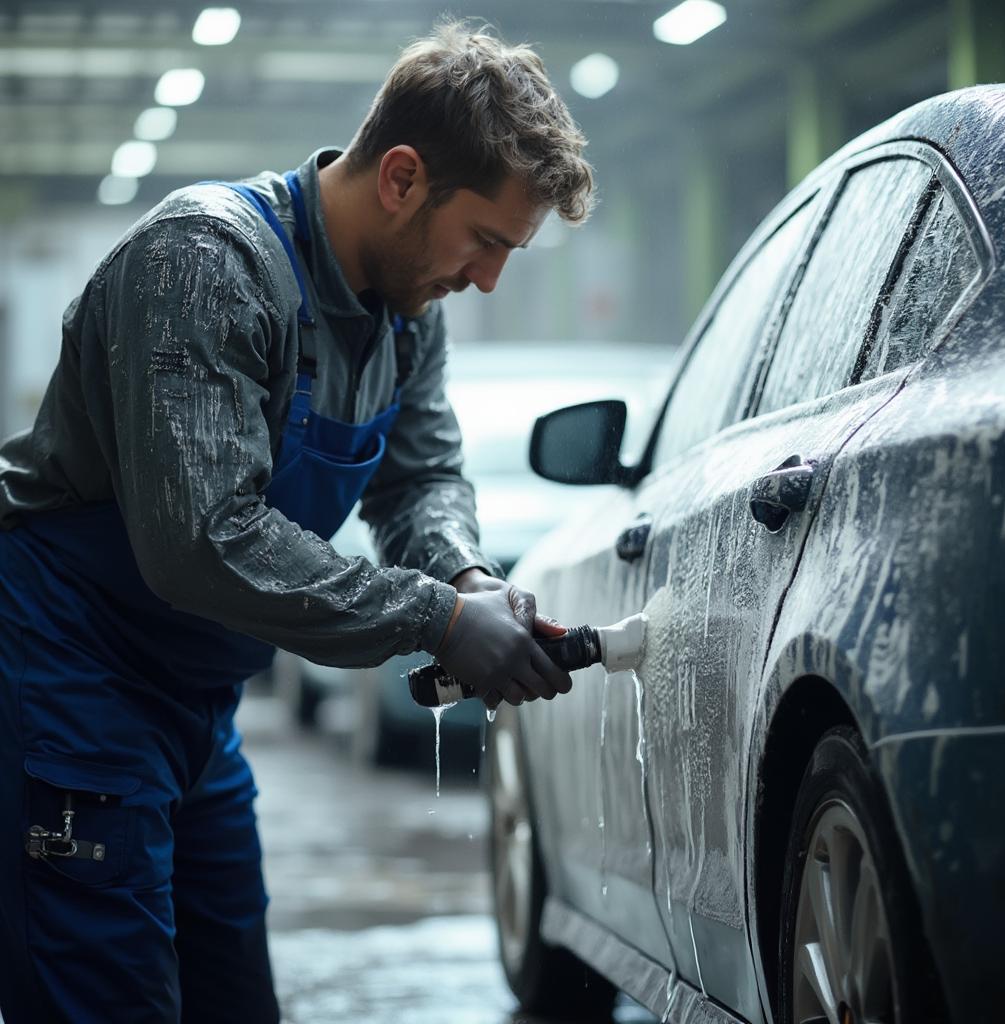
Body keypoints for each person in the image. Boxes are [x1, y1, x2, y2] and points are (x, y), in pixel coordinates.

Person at [0, 19, 594, 1024]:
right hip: (69, 670)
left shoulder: (406, 314)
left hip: (195, 697)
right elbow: (207, 540)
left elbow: (420, 478)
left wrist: (463, 578)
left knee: (234, 996)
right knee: (104, 993)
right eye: (486, 240)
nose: (487, 276)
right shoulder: (202, 266)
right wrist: (436, 621)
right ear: (402, 177)